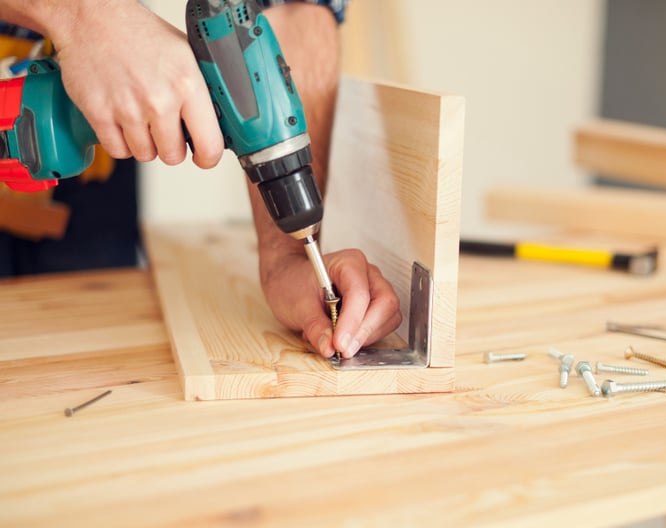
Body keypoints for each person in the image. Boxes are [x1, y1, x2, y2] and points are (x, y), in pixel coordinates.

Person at [0, 0, 401, 359]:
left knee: (79, 351)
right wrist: (83, 15)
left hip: (79, 135)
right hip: (75, 52)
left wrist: (285, 258)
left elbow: (294, 8)